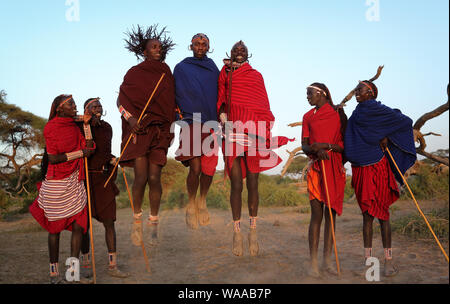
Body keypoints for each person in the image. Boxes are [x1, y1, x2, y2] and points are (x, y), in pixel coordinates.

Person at [217, 41, 293, 256]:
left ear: (249, 54)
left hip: (254, 132)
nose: (239, 52)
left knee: (252, 183)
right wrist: (224, 119)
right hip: (232, 132)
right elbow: (221, 100)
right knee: (235, 186)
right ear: (230, 53)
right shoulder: (225, 73)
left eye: (243, 50)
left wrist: (263, 129)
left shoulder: (256, 76)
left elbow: (262, 105)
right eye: (235, 50)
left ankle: (253, 232)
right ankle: (236, 233)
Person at [344, 80, 416, 277]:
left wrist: (387, 136)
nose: (356, 91)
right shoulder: (355, 114)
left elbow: (405, 121)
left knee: (383, 215)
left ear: (371, 93)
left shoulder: (378, 110)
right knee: (367, 216)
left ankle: (388, 261)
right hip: (360, 169)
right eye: (356, 89)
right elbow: (351, 137)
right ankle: (368, 262)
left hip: (378, 167)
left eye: (360, 89)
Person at [117, 25, 176, 246]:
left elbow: (171, 101)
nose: (157, 49)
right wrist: (131, 119)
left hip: (160, 131)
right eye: (153, 47)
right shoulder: (134, 72)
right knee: (141, 178)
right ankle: (136, 221)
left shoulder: (166, 72)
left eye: (159, 47)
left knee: (154, 178)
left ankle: (153, 222)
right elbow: (120, 101)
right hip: (139, 130)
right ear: (145, 51)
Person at [29, 94, 95, 284]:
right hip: (56, 182)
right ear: (59, 109)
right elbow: (54, 158)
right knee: (54, 229)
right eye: (71, 104)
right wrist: (80, 153)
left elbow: (89, 148)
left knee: (79, 226)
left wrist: (87, 125)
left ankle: (72, 273)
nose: (75, 106)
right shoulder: (51, 127)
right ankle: (53, 273)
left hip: (75, 181)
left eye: (74, 103)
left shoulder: (76, 126)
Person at [79, 98, 129, 278]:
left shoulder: (107, 127)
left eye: (99, 106)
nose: (98, 108)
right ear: (86, 109)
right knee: (83, 225)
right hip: (84, 180)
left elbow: (105, 154)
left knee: (110, 222)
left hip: (103, 178)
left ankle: (112, 265)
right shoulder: (79, 126)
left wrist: (113, 160)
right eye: (94, 106)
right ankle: (85, 266)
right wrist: (85, 124)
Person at [173, 33, 220, 230]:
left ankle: (202, 200)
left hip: (211, 122)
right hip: (191, 120)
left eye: (204, 44)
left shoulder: (213, 68)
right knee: (196, 167)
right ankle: (191, 204)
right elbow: (173, 93)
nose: (200, 46)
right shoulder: (181, 67)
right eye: (197, 44)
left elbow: (222, 91)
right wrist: (178, 117)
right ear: (190, 46)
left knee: (209, 169)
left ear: (209, 47)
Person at [301, 83, 347, 277]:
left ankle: (327, 262)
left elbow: (344, 146)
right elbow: (304, 144)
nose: (307, 97)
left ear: (322, 93)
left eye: (310, 93)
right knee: (316, 215)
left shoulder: (339, 114)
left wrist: (326, 146)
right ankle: (313, 263)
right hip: (316, 168)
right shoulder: (307, 116)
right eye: (307, 94)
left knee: (331, 216)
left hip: (334, 167)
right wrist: (315, 149)